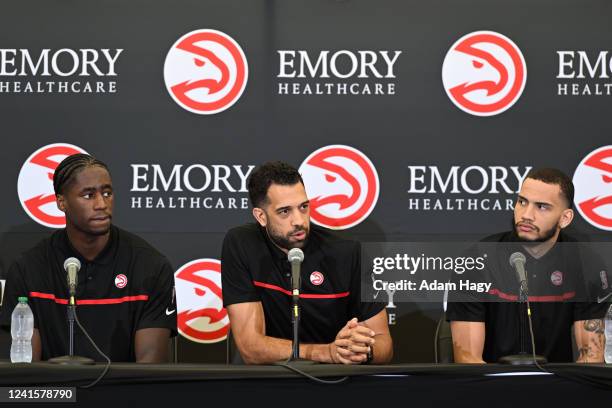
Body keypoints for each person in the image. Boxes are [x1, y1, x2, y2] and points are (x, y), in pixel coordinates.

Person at [0, 154, 176, 362]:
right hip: (55, 393)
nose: (102, 204)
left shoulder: (150, 266)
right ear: (61, 202)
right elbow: (25, 371)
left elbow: (150, 369)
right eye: (88, 195)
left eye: (107, 193)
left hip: (124, 393)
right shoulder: (28, 269)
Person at [221, 161, 392, 364]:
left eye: (304, 207)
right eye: (285, 212)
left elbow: (384, 344)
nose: (299, 221)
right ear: (261, 217)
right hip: (266, 381)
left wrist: (361, 351)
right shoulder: (242, 244)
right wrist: (326, 352)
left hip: (333, 381)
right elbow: (251, 348)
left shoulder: (347, 253)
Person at [447, 168, 608, 363]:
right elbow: (468, 359)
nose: (526, 215)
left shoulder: (586, 264)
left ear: (565, 218)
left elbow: (591, 356)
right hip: (491, 387)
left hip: (557, 388)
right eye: (522, 202)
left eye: (541, 207)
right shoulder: (475, 261)